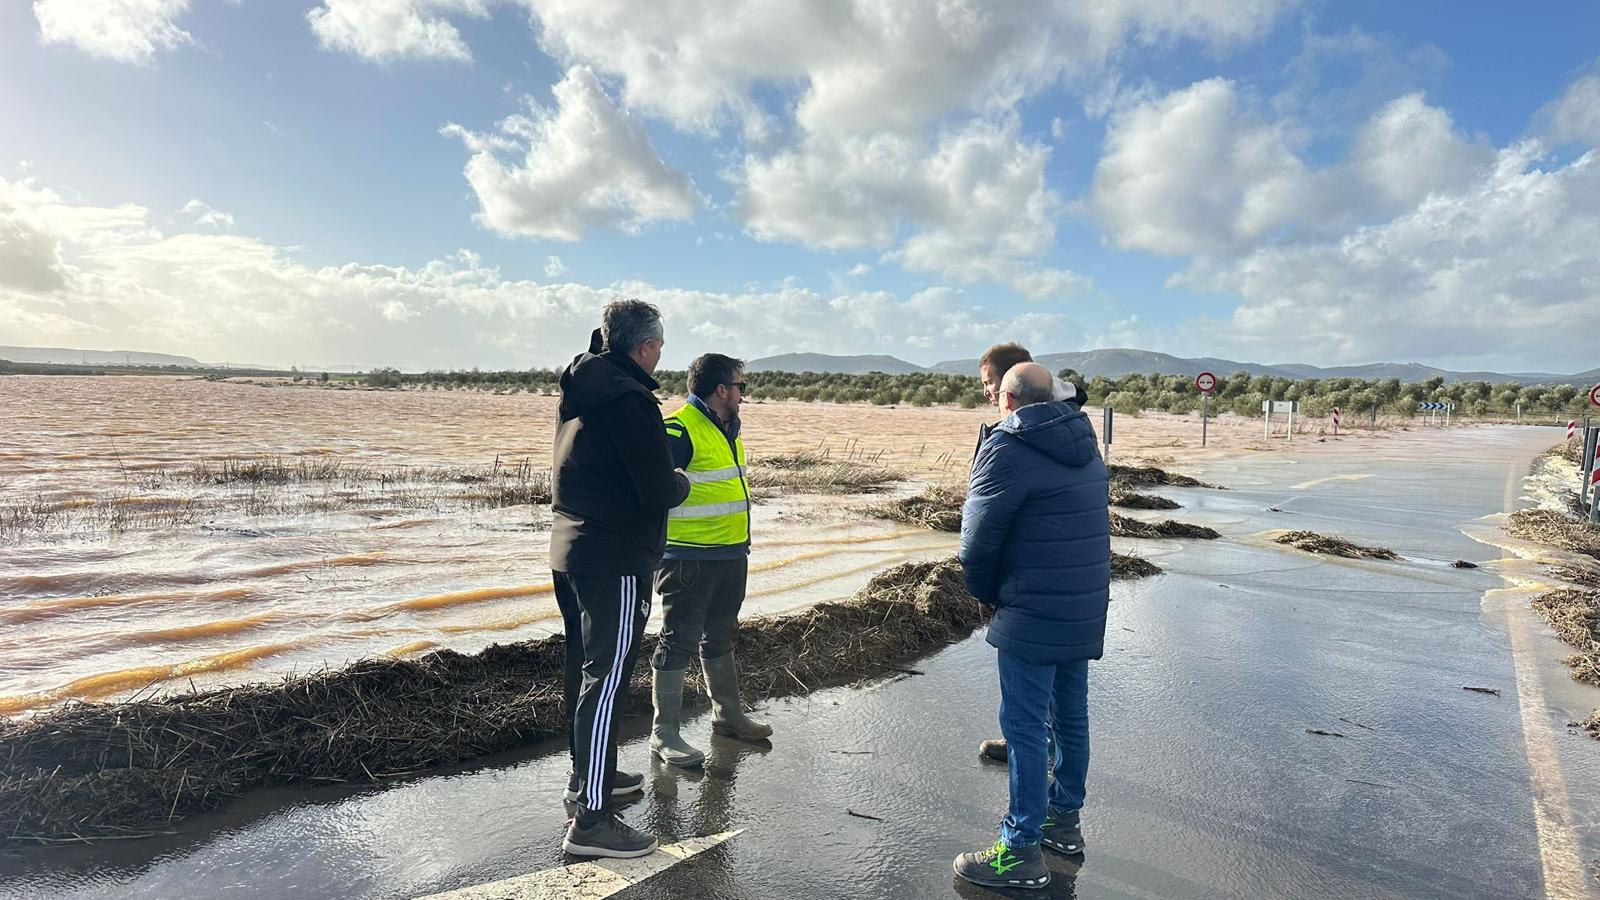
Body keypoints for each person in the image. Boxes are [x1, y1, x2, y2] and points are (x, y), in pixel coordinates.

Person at [952, 362, 1110, 890]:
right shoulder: (1085, 442)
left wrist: (984, 594)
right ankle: (1063, 825)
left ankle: (1019, 850)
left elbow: (977, 540)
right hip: (1081, 605)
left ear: (1008, 400)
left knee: (1023, 728)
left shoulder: (1008, 446)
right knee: (1070, 719)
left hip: (1031, 607)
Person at [550, 299, 691, 859]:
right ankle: (592, 821)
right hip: (616, 558)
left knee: (586, 671)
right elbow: (657, 489)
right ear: (647, 346)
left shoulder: (581, 388)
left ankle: (588, 778)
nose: (660, 355)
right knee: (606, 681)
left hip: (571, 550)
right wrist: (680, 478)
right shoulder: (631, 399)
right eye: (660, 346)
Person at [649, 353, 772, 768]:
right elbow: (651, 487)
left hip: (731, 552)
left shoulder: (729, 429)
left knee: (721, 635)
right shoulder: (679, 427)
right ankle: (664, 735)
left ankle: (727, 717)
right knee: (677, 640)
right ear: (722, 390)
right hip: (688, 558)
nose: (743, 395)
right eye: (740, 387)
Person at [973, 343, 1084, 764]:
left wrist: (983, 587)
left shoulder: (1019, 438)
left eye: (989, 383)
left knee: (1029, 703)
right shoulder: (1071, 425)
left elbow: (988, 526)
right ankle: (1053, 767)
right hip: (1074, 581)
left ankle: (1029, 754)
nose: (986, 392)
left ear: (1009, 385)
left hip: (1032, 582)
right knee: (1067, 705)